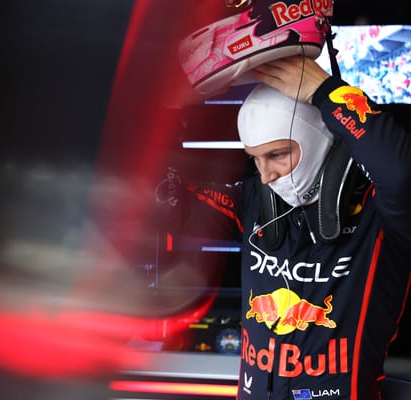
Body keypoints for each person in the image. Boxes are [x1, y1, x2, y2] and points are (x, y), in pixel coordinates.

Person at [156, 55, 411, 399]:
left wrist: (325, 92)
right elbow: (159, 198)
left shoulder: (379, 214)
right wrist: (167, 111)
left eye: (277, 155)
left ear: (319, 139)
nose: (266, 175)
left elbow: (400, 173)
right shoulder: (253, 203)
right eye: (255, 159)